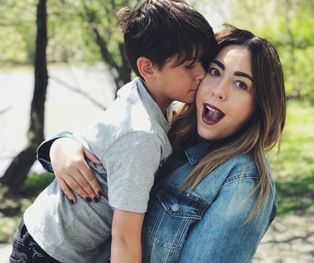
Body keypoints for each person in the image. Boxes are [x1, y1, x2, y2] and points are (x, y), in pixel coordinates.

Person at [31, 26, 286, 262]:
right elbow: (109, 136)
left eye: (240, 84)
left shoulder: (243, 187)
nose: (219, 90)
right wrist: (62, 146)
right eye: (214, 71)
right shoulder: (168, 126)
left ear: (260, 105)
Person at [9, 1, 217, 262]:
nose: (201, 74)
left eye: (203, 62)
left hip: (52, 237)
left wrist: (63, 143)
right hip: (48, 250)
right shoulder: (141, 135)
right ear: (148, 68)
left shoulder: (143, 97)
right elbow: (125, 237)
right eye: (188, 66)